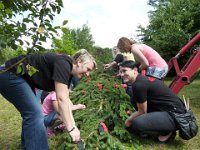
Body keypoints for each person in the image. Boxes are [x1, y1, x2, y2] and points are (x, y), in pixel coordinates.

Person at [0, 49, 97, 150]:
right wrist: (71, 128)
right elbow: (61, 99)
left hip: (22, 79)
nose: (88, 74)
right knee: (35, 113)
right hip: (9, 73)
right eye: (88, 69)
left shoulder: (68, 74)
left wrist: (73, 126)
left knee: (32, 114)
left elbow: (66, 100)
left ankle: (27, 146)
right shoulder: (64, 64)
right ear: (79, 61)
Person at [119, 60, 186, 143]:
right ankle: (159, 124)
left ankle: (168, 131)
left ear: (135, 70)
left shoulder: (139, 85)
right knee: (134, 100)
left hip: (176, 115)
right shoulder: (141, 79)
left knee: (137, 123)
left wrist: (128, 121)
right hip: (168, 110)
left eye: (125, 71)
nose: (122, 74)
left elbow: (142, 111)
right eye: (120, 72)